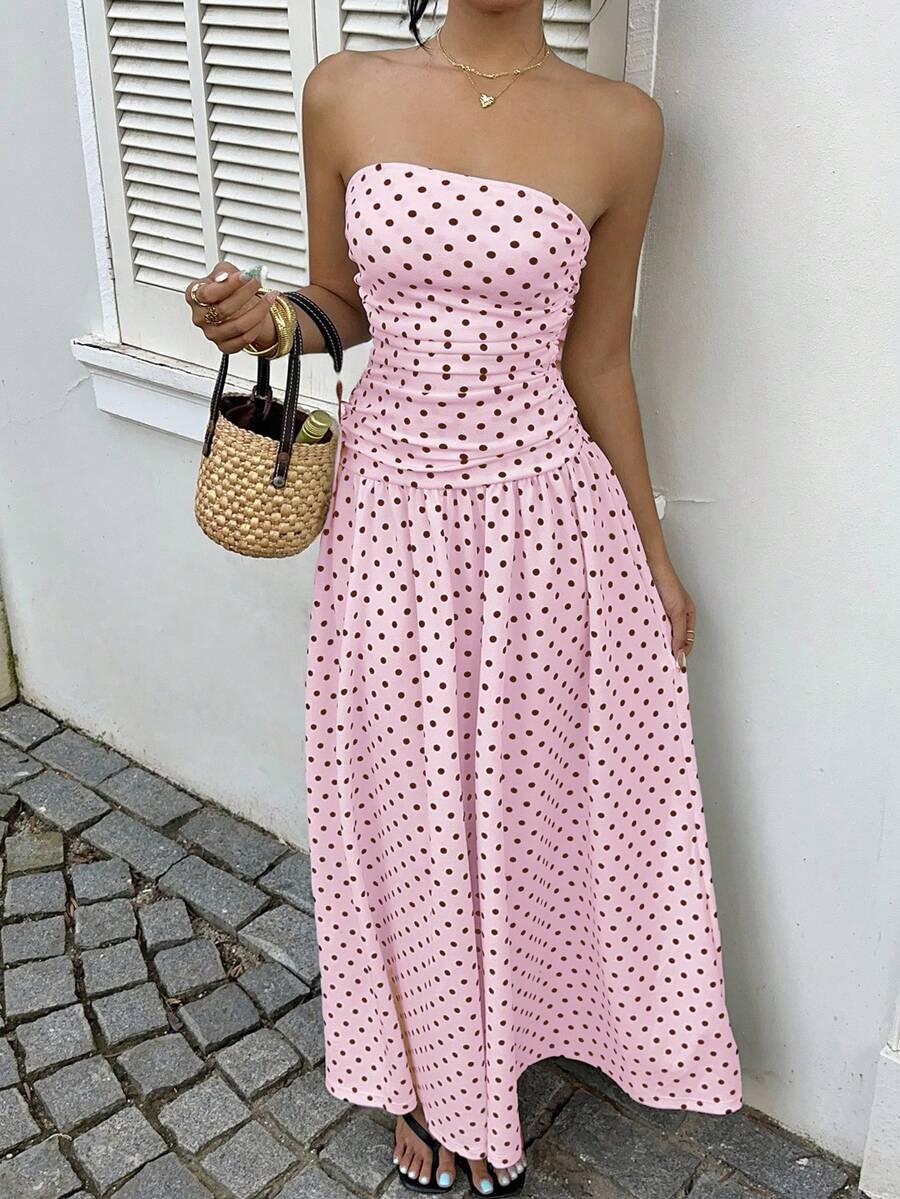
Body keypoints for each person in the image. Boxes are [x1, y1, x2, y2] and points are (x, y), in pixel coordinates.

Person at [185, 1, 743, 1193]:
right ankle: (436, 1081)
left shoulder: (624, 125)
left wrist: (651, 553)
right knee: (404, 798)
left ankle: (491, 1061)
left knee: (522, 807)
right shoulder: (344, 89)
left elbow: (599, 356)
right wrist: (268, 320)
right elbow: (339, 303)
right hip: (390, 514)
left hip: (545, 521)